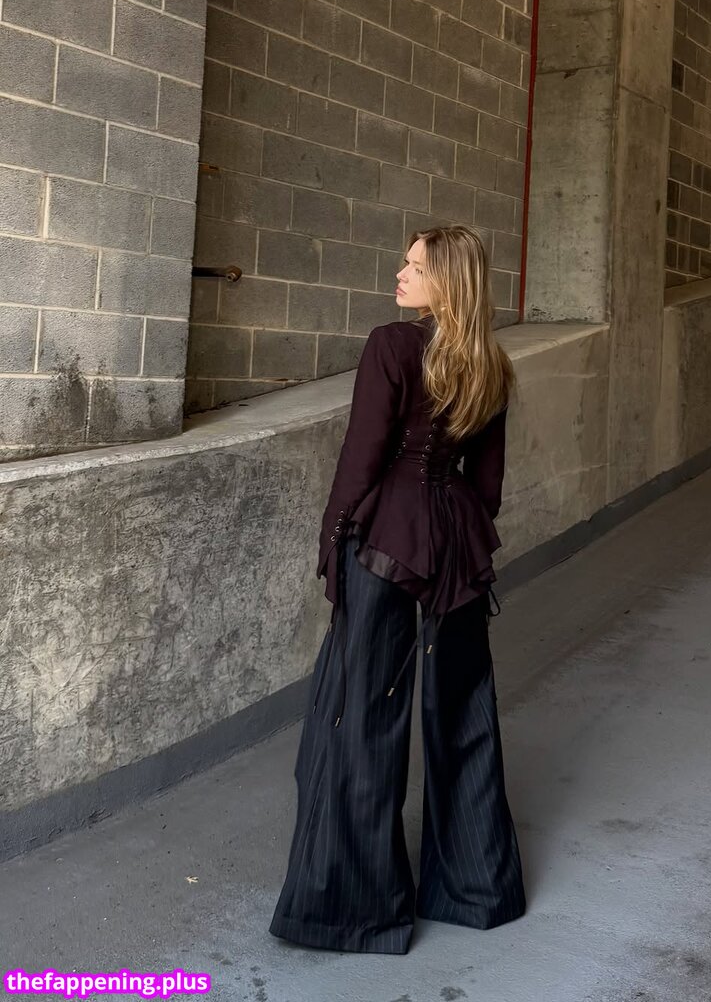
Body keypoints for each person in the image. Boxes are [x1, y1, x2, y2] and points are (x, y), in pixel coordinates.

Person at [268, 224, 526, 955]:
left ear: (446, 281)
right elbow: (486, 486)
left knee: (360, 717)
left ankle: (354, 912)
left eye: (415, 266)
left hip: (385, 544)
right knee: (464, 712)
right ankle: (475, 891)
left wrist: (333, 540)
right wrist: (455, 534)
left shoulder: (391, 345)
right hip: (456, 549)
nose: (400, 273)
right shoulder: (493, 364)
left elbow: (362, 459)